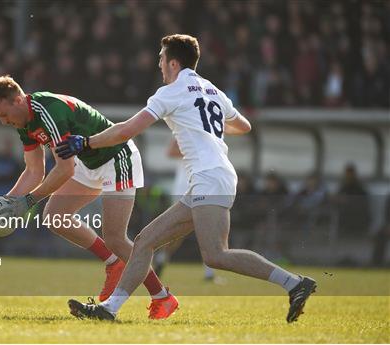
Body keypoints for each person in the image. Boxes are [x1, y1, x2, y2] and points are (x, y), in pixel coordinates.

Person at [58, 34, 316, 323]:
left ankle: (294, 283)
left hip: (209, 178)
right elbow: (243, 125)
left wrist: (87, 143)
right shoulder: (212, 89)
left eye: (161, 59)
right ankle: (109, 310)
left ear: (173, 63)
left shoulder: (170, 92)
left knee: (216, 255)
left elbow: (126, 130)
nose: (158, 65)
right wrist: (208, 130)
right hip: (214, 177)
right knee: (144, 241)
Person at [0, 76, 174, 319]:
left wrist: (28, 201)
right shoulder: (24, 123)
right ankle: (114, 263)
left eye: (3, 114)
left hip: (116, 158)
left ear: (17, 100)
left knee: (115, 237)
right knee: (54, 216)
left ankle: (162, 297)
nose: (3, 122)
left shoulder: (47, 110)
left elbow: (64, 169)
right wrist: (9, 202)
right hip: (88, 163)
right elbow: (34, 171)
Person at [152, 139, 216, 280]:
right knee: (177, 232)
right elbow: (171, 152)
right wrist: (194, 152)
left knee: (206, 228)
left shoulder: (208, 133)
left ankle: (209, 273)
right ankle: (160, 258)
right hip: (183, 187)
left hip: (201, 186)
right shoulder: (183, 132)